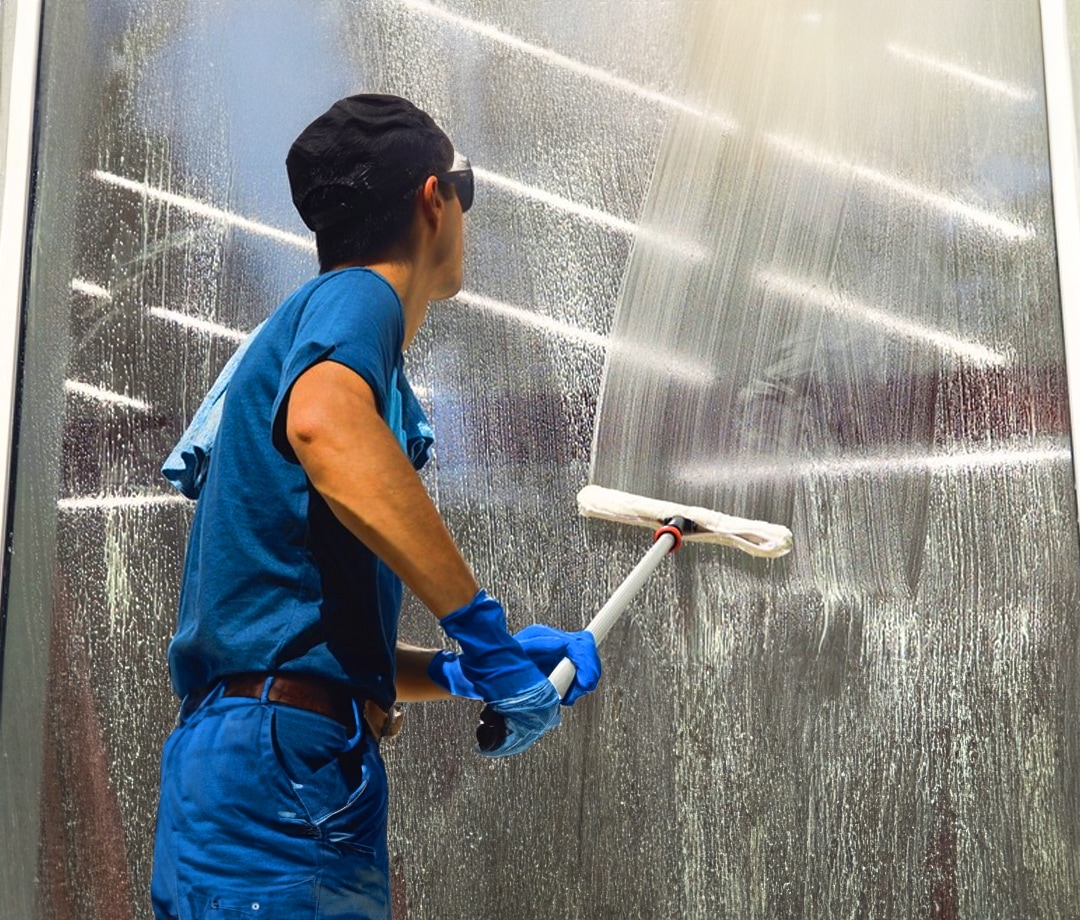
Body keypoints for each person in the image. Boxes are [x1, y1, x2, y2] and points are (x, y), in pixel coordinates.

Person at [151, 93, 601, 920]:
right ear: (435, 198)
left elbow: (297, 639)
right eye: (465, 192)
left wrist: (461, 672)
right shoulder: (355, 300)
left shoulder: (317, 338)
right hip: (281, 766)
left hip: (260, 756)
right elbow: (325, 425)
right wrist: (482, 627)